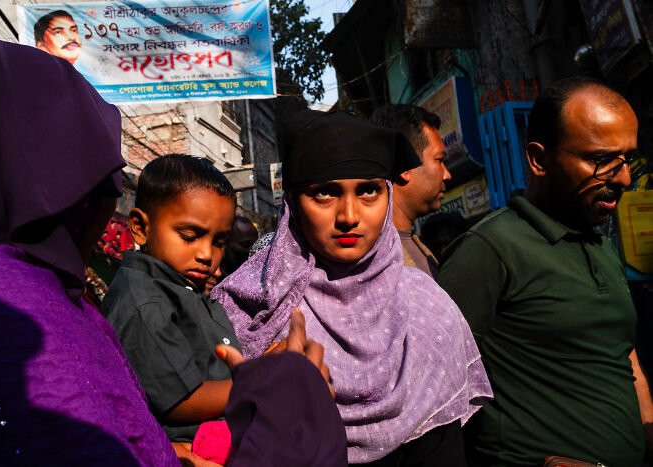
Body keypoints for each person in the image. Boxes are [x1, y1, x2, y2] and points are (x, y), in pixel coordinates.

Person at [0, 32, 345, 467]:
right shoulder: (3, 312)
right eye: (97, 174)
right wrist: (277, 394)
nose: (106, 196)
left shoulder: (42, 295)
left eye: (218, 242)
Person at [213, 110, 492, 465]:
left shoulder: (430, 307)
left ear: (388, 195)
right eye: (325, 193)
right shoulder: (250, 306)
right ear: (294, 204)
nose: (349, 215)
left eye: (369, 191)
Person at [438, 76, 653, 466]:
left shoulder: (599, 244)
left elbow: (623, 355)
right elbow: (430, 392)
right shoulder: (489, 251)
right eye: (602, 160)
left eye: (628, 159)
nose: (623, 178)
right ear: (539, 159)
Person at [101, 154, 242, 444]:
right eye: (190, 236)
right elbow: (180, 401)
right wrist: (260, 386)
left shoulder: (183, 287)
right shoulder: (144, 300)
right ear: (141, 227)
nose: (206, 255)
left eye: (218, 242)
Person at [370, 104, 451, 277]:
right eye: (439, 160)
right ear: (405, 166)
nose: (447, 175)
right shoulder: (376, 260)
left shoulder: (415, 246)